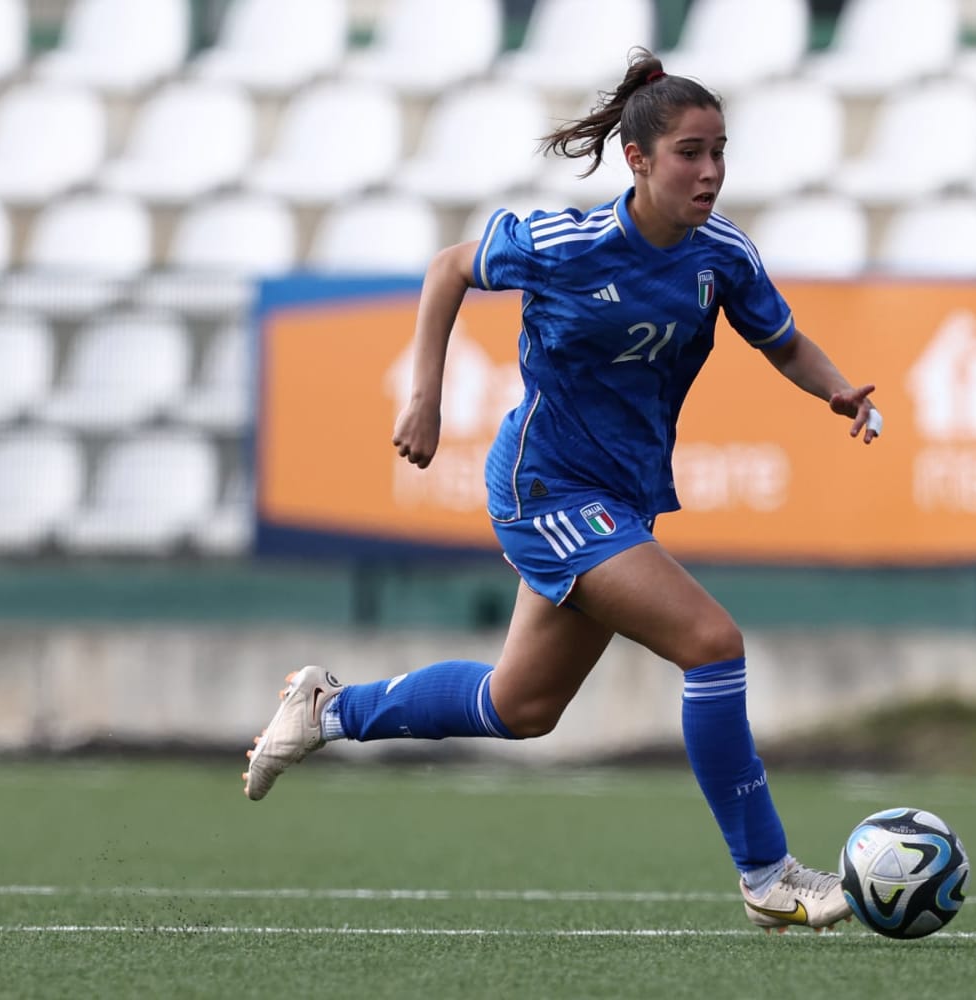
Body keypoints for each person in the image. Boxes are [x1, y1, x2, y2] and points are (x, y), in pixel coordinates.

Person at [243, 48, 881, 934]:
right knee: (711, 642)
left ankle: (330, 709)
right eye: (691, 152)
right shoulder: (565, 242)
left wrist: (835, 388)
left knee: (522, 707)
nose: (710, 171)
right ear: (640, 160)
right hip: (545, 484)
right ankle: (768, 875)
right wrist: (422, 395)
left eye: (720, 151)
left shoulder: (722, 253)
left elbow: (783, 342)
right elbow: (447, 269)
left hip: (619, 495)